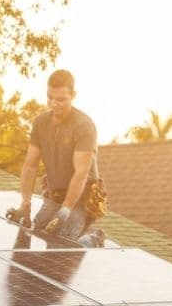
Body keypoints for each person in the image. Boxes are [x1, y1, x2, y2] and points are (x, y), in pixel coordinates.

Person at [10, 69, 106, 248]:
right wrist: (25, 205)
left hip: (80, 200)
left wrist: (65, 210)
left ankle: (92, 239)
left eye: (61, 99)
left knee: (60, 246)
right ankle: (75, 233)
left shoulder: (84, 126)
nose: (54, 104)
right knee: (35, 233)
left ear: (73, 95)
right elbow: (30, 166)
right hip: (54, 196)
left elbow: (81, 172)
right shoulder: (40, 123)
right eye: (50, 97)